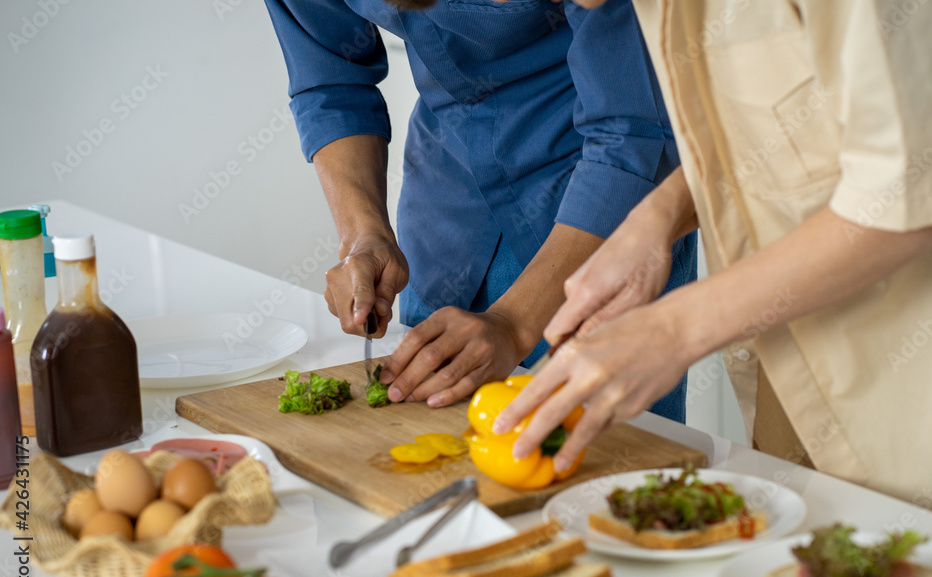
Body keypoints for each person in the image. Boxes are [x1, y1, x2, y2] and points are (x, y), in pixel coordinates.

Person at [497, 0, 932, 533]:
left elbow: (921, 176)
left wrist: (675, 329)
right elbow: (780, 128)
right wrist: (659, 216)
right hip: (797, 377)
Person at [262, 0, 697, 418]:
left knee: (610, 467)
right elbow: (333, 83)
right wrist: (363, 233)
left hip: (604, 212)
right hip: (444, 212)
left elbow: (633, 134)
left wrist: (514, 325)